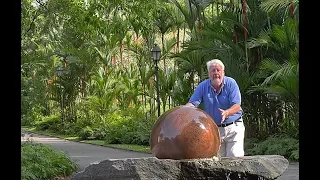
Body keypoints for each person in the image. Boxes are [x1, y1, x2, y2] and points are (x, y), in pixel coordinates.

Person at [185, 59, 245, 157]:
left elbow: (237, 106)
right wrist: (183, 111)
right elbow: (192, 104)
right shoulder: (203, 86)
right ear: (209, 73)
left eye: (218, 70)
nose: (216, 73)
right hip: (214, 129)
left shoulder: (231, 83)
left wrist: (227, 113)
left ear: (223, 72)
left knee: (235, 158)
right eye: (213, 70)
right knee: (216, 159)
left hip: (234, 127)